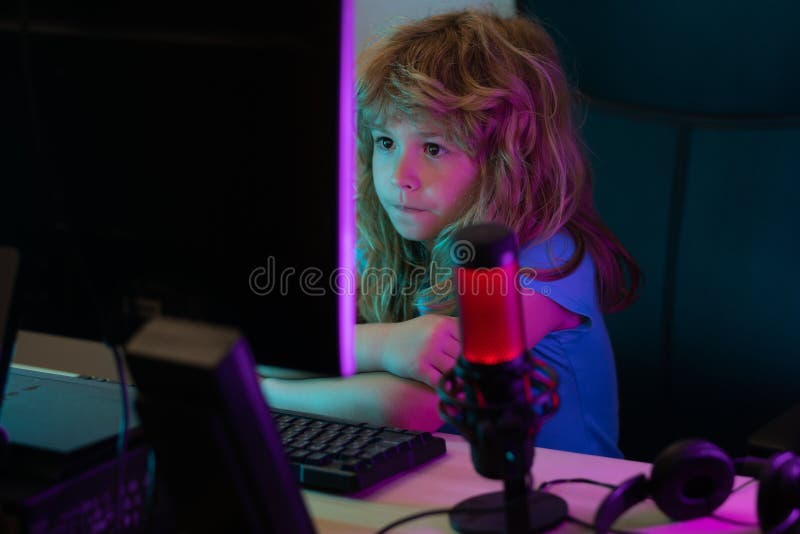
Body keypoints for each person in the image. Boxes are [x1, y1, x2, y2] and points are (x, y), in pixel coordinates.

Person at [261, 8, 640, 458]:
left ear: (508, 161)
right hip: (439, 484)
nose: (399, 176)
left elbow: (409, 408)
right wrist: (386, 346)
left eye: (434, 147)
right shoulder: (393, 236)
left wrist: (260, 395)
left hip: (567, 502)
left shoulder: (546, 263)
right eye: (386, 142)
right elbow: (274, 341)